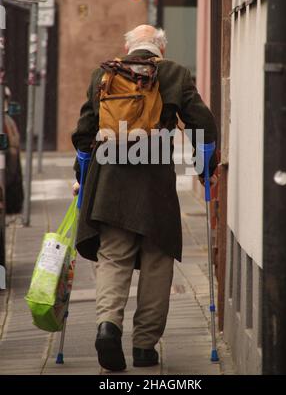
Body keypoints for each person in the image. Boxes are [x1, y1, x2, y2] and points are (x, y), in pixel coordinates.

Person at [71, 25, 218, 371]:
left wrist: (81, 177)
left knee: (113, 257)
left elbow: (83, 134)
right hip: (155, 183)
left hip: (109, 180)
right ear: (160, 50)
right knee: (157, 260)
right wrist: (204, 166)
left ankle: (108, 326)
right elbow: (203, 125)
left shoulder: (103, 74)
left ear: (128, 47)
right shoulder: (174, 73)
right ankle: (144, 348)